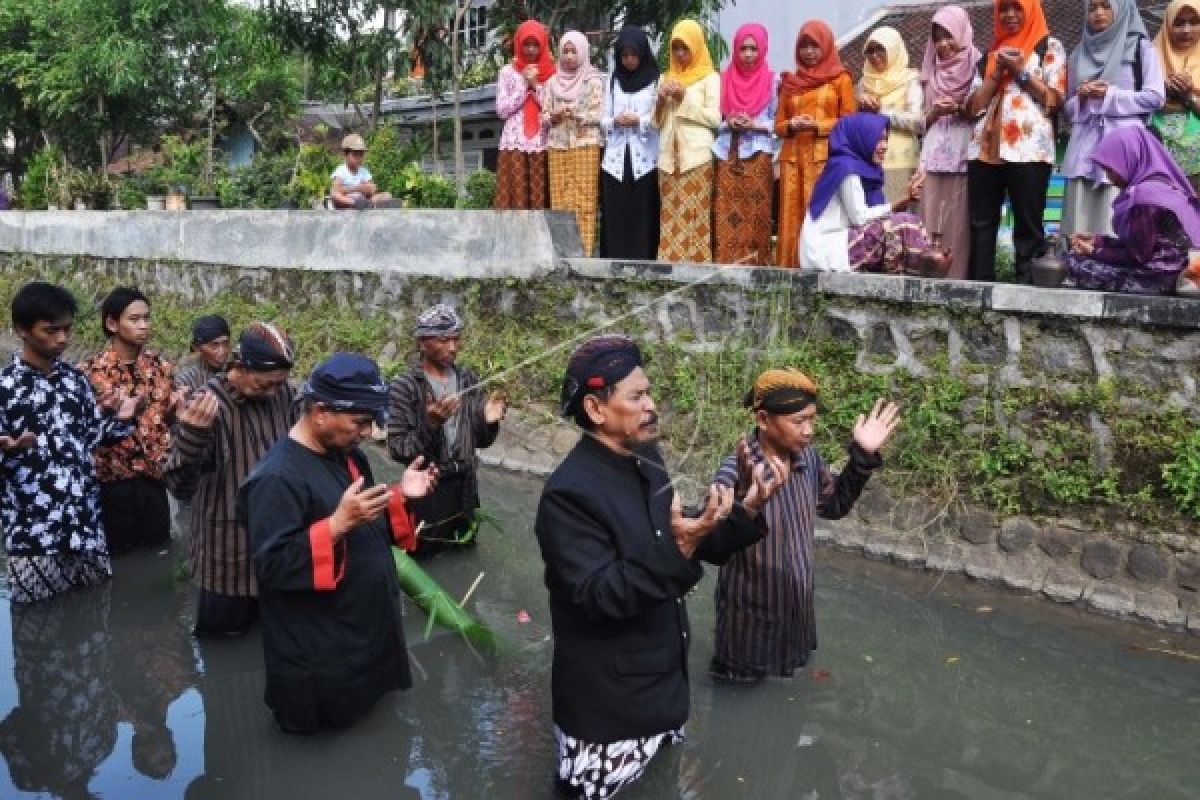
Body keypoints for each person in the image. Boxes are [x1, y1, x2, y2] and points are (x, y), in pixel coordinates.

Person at [535, 334, 788, 800]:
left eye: (649, 392)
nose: (652, 405)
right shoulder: (568, 495)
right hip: (606, 715)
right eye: (637, 396)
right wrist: (682, 546)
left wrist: (746, 510)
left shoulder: (645, 459)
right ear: (595, 409)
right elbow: (600, 596)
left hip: (663, 693)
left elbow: (683, 536)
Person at [241, 353, 437, 734]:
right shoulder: (275, 479)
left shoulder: (347, 454)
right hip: (320, 651)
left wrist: (401, 496)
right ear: (319, 411)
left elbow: (365, 522)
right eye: (360, 422)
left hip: (363, 631)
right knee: (325, 737)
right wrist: (335, 524)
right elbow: (272, 565)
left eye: (371, 423)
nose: (367, 432)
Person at [710, 369, 899, 683]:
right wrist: (747, 504)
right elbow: (713, 545)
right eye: (798, 421)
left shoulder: (807, 460)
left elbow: (834, 505)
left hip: (796, 617)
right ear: (763, 419)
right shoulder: (734, 473)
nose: (809, 430)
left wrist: (862, 456)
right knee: (741, 693)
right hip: (750, 625)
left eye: (812, 419)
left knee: (791, 697)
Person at [0, 282, 137, 604]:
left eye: (66, 329)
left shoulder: (74, 381)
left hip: (86, 527)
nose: (62, 339)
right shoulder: (5, 388)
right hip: (34, 537)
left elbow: (90, 438)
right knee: (37, 638)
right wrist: (7, 450)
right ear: (22, 329)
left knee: (93, 630)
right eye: (51, 330)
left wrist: (123, 418)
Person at [163, 322, 296, 636]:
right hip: (226, 555)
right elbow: (180, 486)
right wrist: (192, 436)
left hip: (275, 546)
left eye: (279, 384)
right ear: (240, 366)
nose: (273, 393)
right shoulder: (207, 404)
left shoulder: (284, 396)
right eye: (265, 385)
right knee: (222, 642)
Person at [387, 305, 505, 558]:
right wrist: (431, 423)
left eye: (456, 339)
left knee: (464, 549)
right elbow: (398, 449)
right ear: (422, 342)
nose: (453, 347)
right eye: (443, 340)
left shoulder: (468, 379)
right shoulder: (405, 387)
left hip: (465, 486)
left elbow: (481, 441)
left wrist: (490, 421)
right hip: (427, 487)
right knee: (424, 555)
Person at [965, 0, 1066, 282]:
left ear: (1031, 10)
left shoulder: (1049, 48)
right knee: (981, 224)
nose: (1009, 15)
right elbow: (972, 107)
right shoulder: (989, 54)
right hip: (984, 149)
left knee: (1028, 225)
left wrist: (1021, 72)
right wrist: (996, 73)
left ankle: (1026, 292)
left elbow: (1055, 100)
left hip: (1029, 148)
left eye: (1017, 8)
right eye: (1004, 9)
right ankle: (979, 290)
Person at [81, 287, 179, 556]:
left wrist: (174, 412)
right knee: (118, 558)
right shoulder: (88, 373)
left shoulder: (161, 368)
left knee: (158, 553)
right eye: (134, 319)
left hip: (153, 479)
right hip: (110, 484)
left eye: (147, 318)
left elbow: (166, 422)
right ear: (112, 323)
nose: (144, 326)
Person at [1061, 0, 1163, 238]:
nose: (1098, 14)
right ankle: (1079, 274)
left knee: (1116, 223)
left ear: (1122, 8)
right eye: (1092, 8)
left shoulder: (1141, 48)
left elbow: (1155, 97)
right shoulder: (1078, 54)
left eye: (1106, 6)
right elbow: (1068, 109)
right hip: (1084, 152)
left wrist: (1111, 96)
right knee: (1079, 224)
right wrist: (1083, 98)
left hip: (1123, 152)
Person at [799, 113, 944, 274]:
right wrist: (901, 201)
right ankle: (922, 272)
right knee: (900, 223)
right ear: (861, 138)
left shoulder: (866, 169)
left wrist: (904, 201)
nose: (884, 146)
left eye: (886, 139)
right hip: (825, 250)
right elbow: (860, 218)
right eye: (878, 139)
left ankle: (919, 273)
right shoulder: (846, 169)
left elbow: (877, 216)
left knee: (907, 221)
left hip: (842, 243)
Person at [1065, 125, 1200, 294]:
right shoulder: (1165, 187)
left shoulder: (1145, 196)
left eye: (1111, 169)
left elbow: (1136, 257)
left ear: (1131, 158)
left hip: (1159, 279)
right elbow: (1145, 244)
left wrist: (1094, 251)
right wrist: (1099, 241)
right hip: (1178, 274)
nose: (1108, 177)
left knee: (1070, 263)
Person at [775, 21, 856, 267]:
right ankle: (788, 271)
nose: (808, 52)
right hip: (792, 158)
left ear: (827, 47)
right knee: (790, 217)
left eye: (814, 46)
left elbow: (849, 123)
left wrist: (818, 126)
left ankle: (818, 270)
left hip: (823, 159)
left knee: (819, 214)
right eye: (804, 46)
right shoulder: (790, 83)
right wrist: (792, 124)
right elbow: (778, 125)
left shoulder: (840, 80)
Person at [916, 6, 981, 279]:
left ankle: (956, 280)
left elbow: (981, 108)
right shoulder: (928, 70)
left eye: (949, 36)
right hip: (931, 153)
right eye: (937, 38)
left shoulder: (978, 63)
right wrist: (933, 112)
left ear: (962, 34)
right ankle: (925, 278)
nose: (942, 44)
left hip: (963, 152)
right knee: (927, 217)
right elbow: (918, 118)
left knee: (958, 224)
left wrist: (959, 108)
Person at [655, 19, 721, 263]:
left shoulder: (710, 78)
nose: (680, 54)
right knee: (670, 217)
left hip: (696, 157)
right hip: (667, 159)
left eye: (685, 48)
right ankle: (667, 271)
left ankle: (696, 272)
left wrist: (685, 98)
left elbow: (715, 118)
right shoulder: (664, 78)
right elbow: (656, 123)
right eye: (676, 48)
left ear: (696, 47)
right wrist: (660, 101)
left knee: (694, 217)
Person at [712, 23, 778, 266]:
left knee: (756, 216)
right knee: (725, 212)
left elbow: (777, 123)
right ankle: (724, 268)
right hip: (727, 154)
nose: (748, 55)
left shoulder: (772, 81)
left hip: (758, 155)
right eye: (743, 49)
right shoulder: (724, 79)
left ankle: (757, 268)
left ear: (762, 50)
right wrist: (729, 122)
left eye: (753, 48)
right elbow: (714, 121)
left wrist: (754, 124)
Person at [600, 26, 661, 260]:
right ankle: (614, 261)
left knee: (641, 212)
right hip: (615, 160)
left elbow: (659, 119)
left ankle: (644, 260)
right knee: (616, 212)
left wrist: (639, 120)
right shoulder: (613, 81)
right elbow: (602, 119)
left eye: (633, 55)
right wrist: (615, 121)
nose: (629, 61)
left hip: (644, 158)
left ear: (643, 54)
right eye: (624, 56)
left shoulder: (655, 80)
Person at [544, 30, 605, 256]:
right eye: (565, 51)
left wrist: (578, 115)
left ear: (582, 52)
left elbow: (599, 114)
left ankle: (585, 254)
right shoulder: (551, 82)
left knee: (585, 201)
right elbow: (544, 116)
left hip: (585, 144)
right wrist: (554, 116)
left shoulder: (594, 80)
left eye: (573, 51)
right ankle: (561, 253)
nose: (569, 56)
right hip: (558, 145)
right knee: (559, 201)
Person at [857, 27, 925, 205]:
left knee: (897, 224)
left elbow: (918, 122)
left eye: (880, 49)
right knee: (871, 224)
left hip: (900, 162)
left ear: (893, 49)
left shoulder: (911, 79)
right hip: (867, 162)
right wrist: (858, 105)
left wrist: (882, 111)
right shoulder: (863, 84)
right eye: (869, 51)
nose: (874, 55)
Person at [494, 19, 555, 210]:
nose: (530, 50)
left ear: (543, 46)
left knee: (540, 202)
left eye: (535, 45)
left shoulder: (552, 74)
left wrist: (536, 85)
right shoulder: (507, 73)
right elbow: (502, 110)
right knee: (515, 201)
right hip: (514, 143)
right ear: (518, 44)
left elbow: (551, 108)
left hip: (541, 142)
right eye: (526, 44)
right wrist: (523, 87)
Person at [1151, 0, 1200, 192]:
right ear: (1167, 24)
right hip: (1158, 163)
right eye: (1178, 23)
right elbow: (1136, 105)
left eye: (1194, 22)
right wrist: (1160, 91)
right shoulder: (1150, 57)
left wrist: (1188, 96)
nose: (1186, 30)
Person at [330, 134, 394, 209]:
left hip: (363, 200)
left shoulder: (364, 171)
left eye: (361, 155)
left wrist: (369, 189)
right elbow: (336, 190)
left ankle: (366, 204)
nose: (358, 158)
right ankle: (356, 204)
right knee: (335, 195)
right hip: (347, 201)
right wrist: (357, 188)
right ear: (345, 155)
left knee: (387, 195)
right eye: (355, 155)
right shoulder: (341, 171)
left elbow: (372, 190)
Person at [175, 314, 231, 392]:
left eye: (226, 343)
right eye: (214, 345)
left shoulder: (234, 372)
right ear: (197, 348)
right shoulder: (185, 380)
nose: (222, 351)